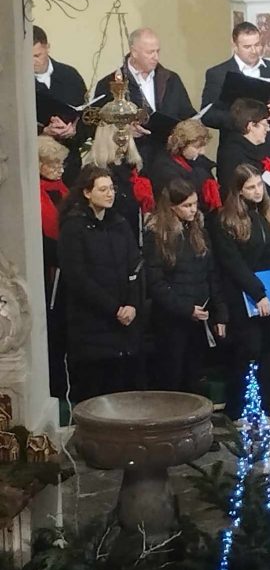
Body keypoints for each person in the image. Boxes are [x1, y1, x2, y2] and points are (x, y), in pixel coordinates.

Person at [212, 163, 270, 419]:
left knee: (267, 351)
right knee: (246, 351)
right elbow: (233, 263)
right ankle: (239, 408)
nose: (258, 191)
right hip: (243, 295)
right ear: (239, 191)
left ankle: (263, 405)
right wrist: (257, 294)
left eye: (260, 185)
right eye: (251, 187)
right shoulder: (226, 221)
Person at [58, 165, 143, 403]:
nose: (110, 194)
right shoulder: (73, 227)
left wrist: (132, 304)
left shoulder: (119, 223)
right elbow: (77, 277)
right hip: (92, 323)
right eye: (103, 189)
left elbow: (135, 265)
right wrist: (114, 308)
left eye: (111, 189)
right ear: (87, 192)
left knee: (123, 393)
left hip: (124, 323)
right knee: (95, 394)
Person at [143, 179, 227, 394]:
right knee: (171, 378)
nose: (193, 210)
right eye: (186, 205)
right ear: (172, 207)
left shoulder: (199, 230)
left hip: (199, 316)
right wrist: (186, 309)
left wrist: (219, 312)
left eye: (195, 204)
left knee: (193, 377)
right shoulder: (157, 234)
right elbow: (156, 282)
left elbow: (211, 273)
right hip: (171, 320)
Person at [201, 21, 270, 175]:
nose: (254, 51)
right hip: (235, 152)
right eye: (247, 47)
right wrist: (240, 118)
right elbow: (207, 115)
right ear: (234, 46)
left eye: (257, 45)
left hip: (269, 151)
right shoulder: (218, 74)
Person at [94, 28, 197, 165]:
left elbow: (187, 114)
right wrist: (124, 130)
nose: (156, 57)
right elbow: (98, 124)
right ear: (134, 52)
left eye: (157, 51)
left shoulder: (170, 79)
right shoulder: (110, 84)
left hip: (168, 157)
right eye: (150, 52)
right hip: (129, 158)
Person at [82, 122, 154, 244]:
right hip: (107, 237)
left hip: (131, 234)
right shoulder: (94, 173)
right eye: (119, 136)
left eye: (126, 135)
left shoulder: (130, 166)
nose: (124, 140)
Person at [33, 26, 88, 183]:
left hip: (70, 160)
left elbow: (87, 116)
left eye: (37, 55)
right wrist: (44, 131)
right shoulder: (17, 82)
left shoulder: (70, 76)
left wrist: (74, 131)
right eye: (27, 57)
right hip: (36, 164)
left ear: (47, 48)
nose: (32, 61)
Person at [38, 136, 70, 397]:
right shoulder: (33, 193)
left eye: (61, 164)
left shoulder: (63, 189)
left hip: (67, 269)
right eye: (54, 164)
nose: (60, 169)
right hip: (47, 269)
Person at [146, 119, 221, 215]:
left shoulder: (199, 161)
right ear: (181, 145)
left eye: (203, 146)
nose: (202, 152)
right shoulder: (165, 169)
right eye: (197, 147)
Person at [215, 98, 270, 201]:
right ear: (251, 126)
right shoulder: (234, 155)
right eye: (264, 125)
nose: (268, 129)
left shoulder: (252, 149)